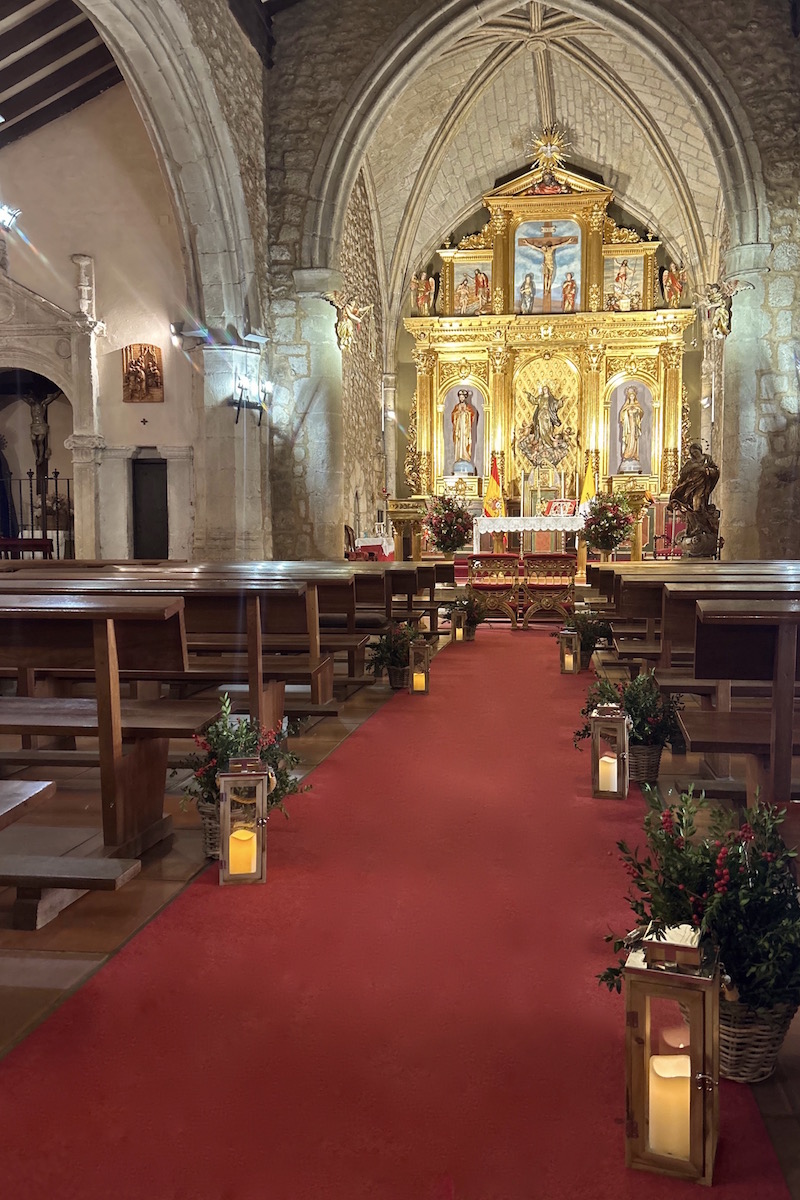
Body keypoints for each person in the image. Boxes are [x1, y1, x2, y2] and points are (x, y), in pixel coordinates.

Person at [668, 441, 720, 514]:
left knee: (699, 498)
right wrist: (692, 468)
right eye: (693, 453)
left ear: (700, 450)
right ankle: (696, 516)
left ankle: (698, 515)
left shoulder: (707, 458)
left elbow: (715, 470)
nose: (695, 454)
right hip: (691, 483)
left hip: (703, 483)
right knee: (690, 498)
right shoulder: (690, 462)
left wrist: (706, 470)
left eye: (696, 452)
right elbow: (682, 473)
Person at [619, 386, 645, 467]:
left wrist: (636, 410)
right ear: (628, 397)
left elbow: (641, 413)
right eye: (630, 396)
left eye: (633, 395)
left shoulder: (637, 405)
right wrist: (627, 411)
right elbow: (622, 415)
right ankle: (627, 454)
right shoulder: (626, 406)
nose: (632, 397)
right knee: (629, 438)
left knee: (634, 438)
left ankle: (634, 454)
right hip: (628, 427)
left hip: (634, 425)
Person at [451, 388, 478, 464]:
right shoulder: (457, 407)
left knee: (466, 442)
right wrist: (458, 413)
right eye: (460, 397)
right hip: (459, 428)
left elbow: (472, 415)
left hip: (466, 429)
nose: (461, 398)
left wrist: (466, 413)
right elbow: (453, 417)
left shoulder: (468, 407)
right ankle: (458, 457)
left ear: (465, 398)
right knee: (458, 442)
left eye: (463, 397)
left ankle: (466, 457)